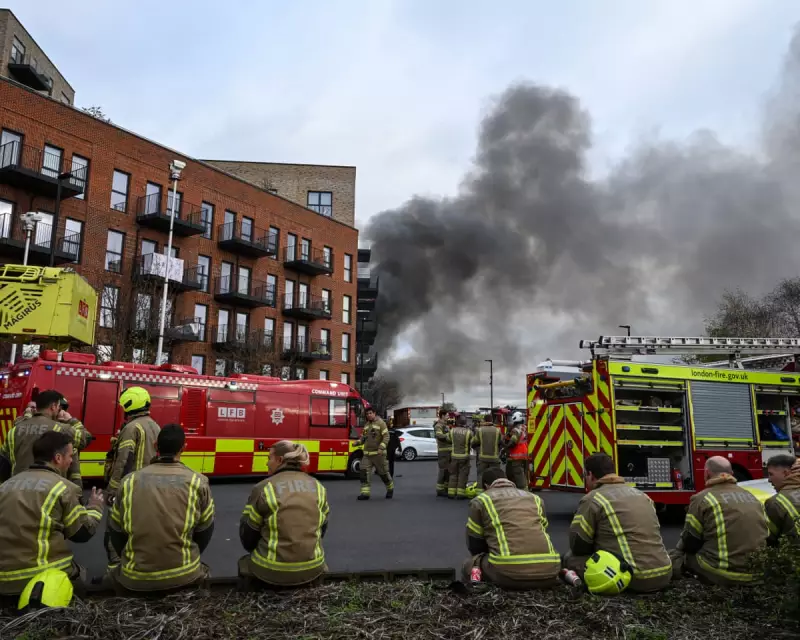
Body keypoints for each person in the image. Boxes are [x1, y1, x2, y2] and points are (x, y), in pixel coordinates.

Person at [107, 424, 215, 595]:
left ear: (156, 446)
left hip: (134, 578)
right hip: (185, 575)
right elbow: (205, 531)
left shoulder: (128, 481)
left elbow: (116, 531)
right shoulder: (198, 482)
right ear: (183, 448)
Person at [0, 431, 103, 599]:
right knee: (79, 577)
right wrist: (94, 507)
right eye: (70, 456)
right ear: (58, 458)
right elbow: (82, 533)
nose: (71, 461)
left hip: (3, 580)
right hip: (38, 580)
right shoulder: (63, 488)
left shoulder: (5, 486)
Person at [565, 452, 672, 593]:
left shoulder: (593, 499)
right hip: (664, 574)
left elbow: (578, 544)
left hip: (633, 579)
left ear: (590, 475)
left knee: (570, 558)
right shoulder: (643, 496)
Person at [239, 440, 330, 588]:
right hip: (313, 567)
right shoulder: (318, 487)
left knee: (244, 562)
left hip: (270, 569)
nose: (267, 463)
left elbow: (248, 536)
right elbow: (322, 529)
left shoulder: (264, 488)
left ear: (280, 460)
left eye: (269, 458)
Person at [670, 456, 769, 586]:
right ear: (732, 474)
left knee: (677, 557)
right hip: (757, 573)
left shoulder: (702, 498)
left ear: (706, 473)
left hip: (723, 573)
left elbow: (691, 541)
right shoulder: (752, 497)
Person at [463, 467, 560, 589]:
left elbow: (475, 544)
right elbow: (542, 530)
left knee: (470, 564)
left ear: (486, 486)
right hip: (549, 570)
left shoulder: (481, 500)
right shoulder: (535, 498)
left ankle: (477, 591)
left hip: (507, 574)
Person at [104, 386, 161, 565]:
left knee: (114, 532)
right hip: (149, 488)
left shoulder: (132, 428)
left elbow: (123, 460)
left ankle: (115, 570)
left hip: (130, 488)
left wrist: (113, 488)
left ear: (130, 404)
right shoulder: (155, 425)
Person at [0, 390, 91, 488]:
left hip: (17, 488)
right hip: (50, 489)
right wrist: (71, 420)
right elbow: (85, 439)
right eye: (58, 407)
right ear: (53, 406)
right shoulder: (61, 429)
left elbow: (4, 461)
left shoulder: (14, 430)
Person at [357, 407, 393, 500]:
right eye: (367, 414)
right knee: (363, 472)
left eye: (370, 413)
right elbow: (363, 438)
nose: (368, 415)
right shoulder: (366, 425)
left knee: (383, 473)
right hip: (367, 455)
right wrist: (358, 442)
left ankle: (390, 489)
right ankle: (365, 493)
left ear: (374, 413)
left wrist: (381, 447)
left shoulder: (381, 423)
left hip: (378, 454)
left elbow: (386, 436)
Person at [763, 454, 800, 544]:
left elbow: (768, 540)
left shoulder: (775, 503)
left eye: (771, 474)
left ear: (786, 473)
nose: (769, 480)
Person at [472, 419, 502, 495]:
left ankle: (479, 493)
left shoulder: (480, 430)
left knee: (481, 475)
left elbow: (474, 441)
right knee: (495, 476)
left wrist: (477, 448)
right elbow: (500, 442)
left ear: (485, 420)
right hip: (494, 458)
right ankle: (495, 493)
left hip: (483, 458)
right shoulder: (497, 430)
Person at [447, 415, 473, 499]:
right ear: (465, 423)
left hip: (454, 456)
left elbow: (448, 440)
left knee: (453, 475)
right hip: (464, 457)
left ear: (457, 422)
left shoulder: (452, 431)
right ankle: (460, 494)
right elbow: (472, 442)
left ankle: (451, 493)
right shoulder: (469, 432)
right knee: (462, 475)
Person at [504, 411, 528, 490]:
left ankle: (522, 489)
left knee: (517, 473)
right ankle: (525, 487)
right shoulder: (525, 427)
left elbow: (513, 442)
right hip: (525, 454)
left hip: (516, 455)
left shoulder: (516, 429)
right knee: (523, 473)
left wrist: (506, 448)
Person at [433, 408, 451, 497]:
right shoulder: (438, 426)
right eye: (447, 415)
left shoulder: (446, 425)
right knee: (443, 470)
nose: (448, 417)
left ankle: (446, 488)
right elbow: (439, 435)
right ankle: (440, 490)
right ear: (442, 416)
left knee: (448, 471)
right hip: (443, 451)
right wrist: (449, 436)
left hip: (448, 451)